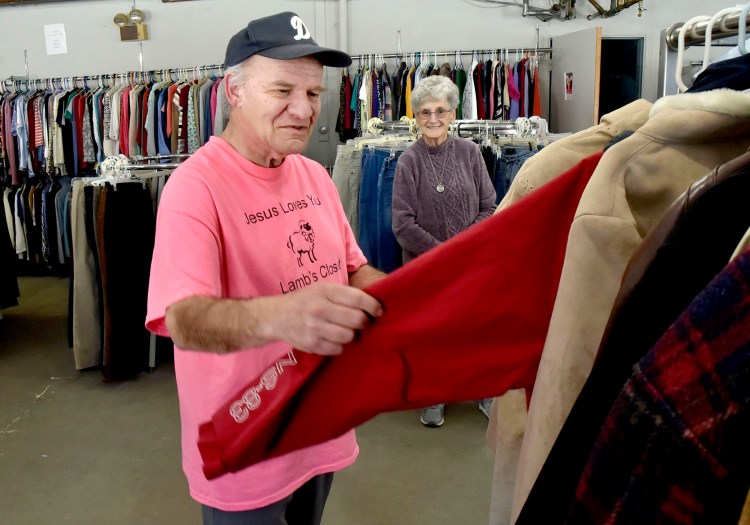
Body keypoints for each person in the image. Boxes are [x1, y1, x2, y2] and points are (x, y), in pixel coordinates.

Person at [145, 12, 385, 525]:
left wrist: (413, 293)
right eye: (282, 90)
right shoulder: (195, 188)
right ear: (234, 91)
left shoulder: (315, 176)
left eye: (314, 94)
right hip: (246, 444)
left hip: (322, 424)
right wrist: (280, 317)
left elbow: (352, 269)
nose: (303, 111)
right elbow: (182, 319)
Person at [391, 75, 497, 428]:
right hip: (428, 267)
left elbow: (488, 206)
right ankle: (434, 393)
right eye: (425, 112)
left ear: (453, 114)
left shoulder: (470, 153)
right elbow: (402, 224)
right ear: (416, 117)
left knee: (476, 332)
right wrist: (442, 255)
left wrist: (463, 249)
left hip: (469, 264)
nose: (433, 119)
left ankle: (483, 392)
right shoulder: (409, 160)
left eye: (440, 110)